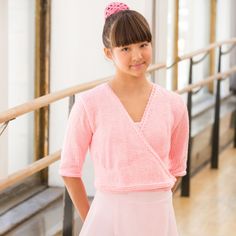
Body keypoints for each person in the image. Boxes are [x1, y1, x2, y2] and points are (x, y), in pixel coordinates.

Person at [59, 2, 189, 236]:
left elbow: (177, 168)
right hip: (108, 216)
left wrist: (154, 199)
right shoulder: (89, 104)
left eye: (143, 44)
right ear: (109, 53)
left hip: (158, 217)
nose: (137, 55)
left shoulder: (174, 104)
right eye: (125, 48)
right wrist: (92, 221)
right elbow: (69, 169)